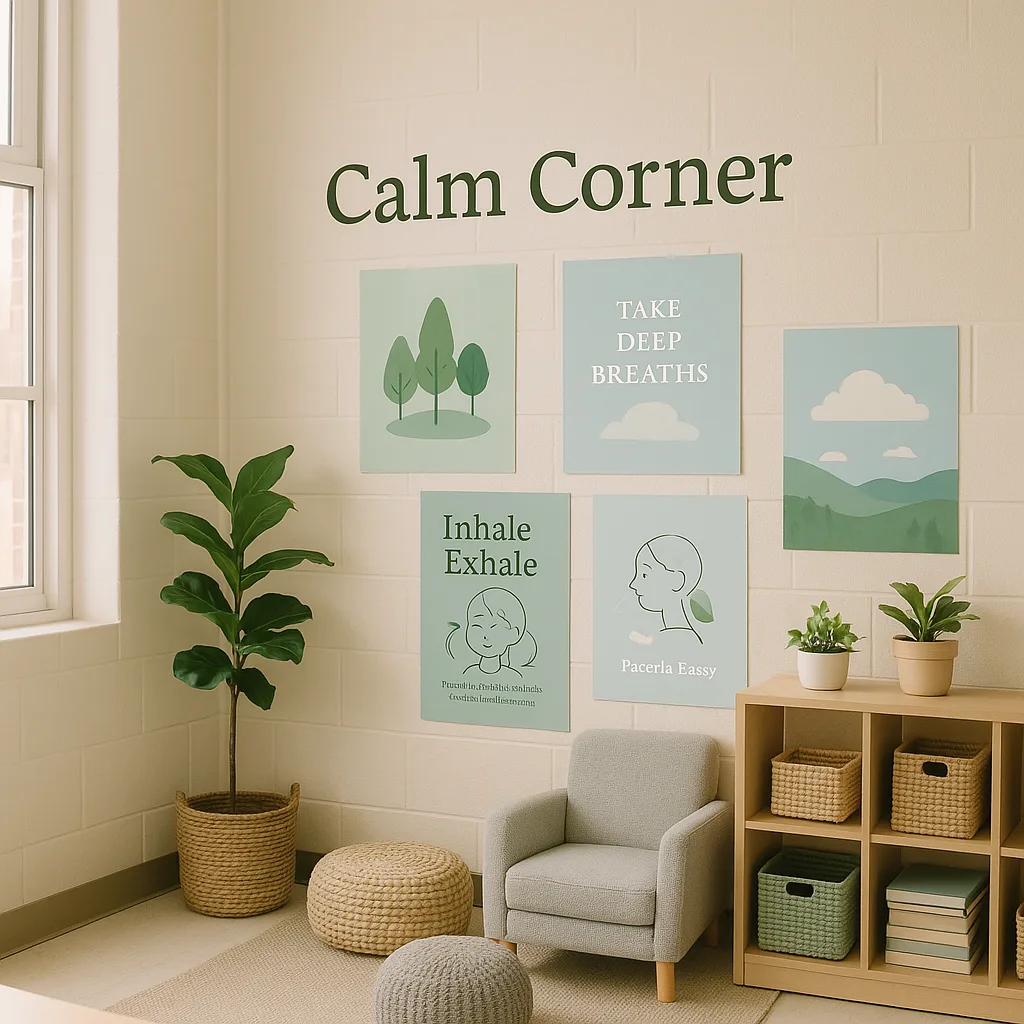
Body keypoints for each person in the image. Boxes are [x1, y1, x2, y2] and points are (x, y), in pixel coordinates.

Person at [629, 534, 705, 643]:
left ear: (677, 581)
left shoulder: (672, 639)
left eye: (644, 575)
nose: (633, 584)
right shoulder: (676, 636)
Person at [455, 588, 537, 681]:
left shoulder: (514, 677)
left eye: (494, 628)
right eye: (477, 626)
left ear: (514, 634)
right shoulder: (467, 673)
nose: (485, 636)